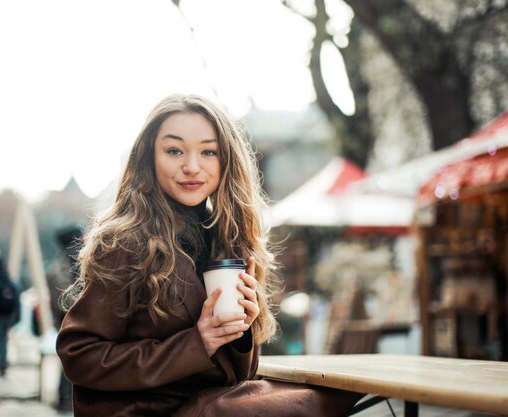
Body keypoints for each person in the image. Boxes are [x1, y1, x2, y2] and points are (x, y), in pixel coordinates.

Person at [56, 94, 361, 417]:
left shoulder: (227, 237)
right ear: (149, 158)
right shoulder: (126, 241)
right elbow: (80, 355)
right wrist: (197, 343)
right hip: (150, 411)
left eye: (208, 151)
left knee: (331, 396)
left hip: (210, 404)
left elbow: (238, 375)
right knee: (315, 403)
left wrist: (243, 328)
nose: (192, 166)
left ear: (225, 160)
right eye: (174, 150)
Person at [46, 225, 83, 410]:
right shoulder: (80, 260)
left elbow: (55, 301)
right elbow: (64, 299)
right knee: (73, 360)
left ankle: (65, 398)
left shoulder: (57, 265)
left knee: (68, 359)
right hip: (75, 319)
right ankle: (66, 399)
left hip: (64, 321)